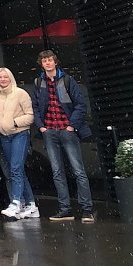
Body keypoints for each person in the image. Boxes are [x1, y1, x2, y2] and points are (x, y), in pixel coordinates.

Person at [31, 50, 94, 222]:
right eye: (44, 60)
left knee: (78, 170)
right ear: (41, 63)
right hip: (50, 130)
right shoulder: (38, 82)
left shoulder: (67, 80)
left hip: (67, 130)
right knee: (57, 171)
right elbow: (35, 107)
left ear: (55, 62)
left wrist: (71, 126)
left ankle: (87, 209)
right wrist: (41, 127)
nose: (48, 63)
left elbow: (80, 104)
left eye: (50, 60)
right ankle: (65, 208)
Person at [0, 67, 38, 219]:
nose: (3, 80)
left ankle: (16, 203)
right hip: (5, 137)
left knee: (16, 169)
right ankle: (31, 205)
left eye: (5, 77)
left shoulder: (20, 93)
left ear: (10, 78)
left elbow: (30, 116)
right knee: (18, 171)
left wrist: (14, 123)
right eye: (0, 77)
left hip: (19, 134)